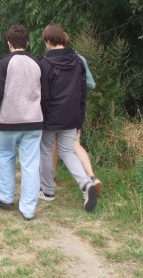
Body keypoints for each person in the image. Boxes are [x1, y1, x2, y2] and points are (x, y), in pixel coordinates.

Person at [0, 25, 46, 221]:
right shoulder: (38, 64)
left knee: (5, 156)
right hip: (34, 121)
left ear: (9, 43)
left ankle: (4, 198)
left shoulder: (3, 64)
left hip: (8, 121)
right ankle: (28, 209)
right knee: (30, 164)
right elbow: (45, 95)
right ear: (27, 42)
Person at [38, 23, 97, 212]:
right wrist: (80, 117)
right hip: (72, 115)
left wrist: (41, 115)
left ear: (48, 41)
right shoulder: (78, 61)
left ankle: (47, 191)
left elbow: (43, 95)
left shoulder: (44, 64)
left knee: (46, 151)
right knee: (67, 152)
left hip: (49, 117)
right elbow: (83, 92)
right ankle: (86, 184)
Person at [49, 32, 102, 197]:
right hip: (75, 111)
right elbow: (91, 84)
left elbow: (89, 84)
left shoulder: (52, 60)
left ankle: (52, 179)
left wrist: (71, 89)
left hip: (61, 110)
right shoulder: (80, 59)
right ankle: (91, 177)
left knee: (63, 147)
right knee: (71, 146)